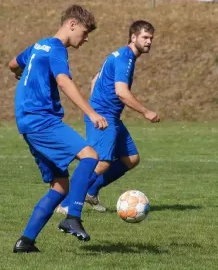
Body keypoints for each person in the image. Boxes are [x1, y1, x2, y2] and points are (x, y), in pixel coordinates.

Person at [9, 5, 108, 254]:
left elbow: (12, 64)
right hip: (42, 120)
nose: (85, 39)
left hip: (27, 123)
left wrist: (23, 74)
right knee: (90, 156)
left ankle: (26, 242)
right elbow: (64, 81)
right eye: (84, 33)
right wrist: (92, 113)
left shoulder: (39, 46)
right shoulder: (56, 49)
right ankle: (73, 216)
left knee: (60, 185)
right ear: (72, 24)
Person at [57, 20, 160, 215]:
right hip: (103, 117)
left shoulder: (120, 54)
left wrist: (97, 99)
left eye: (151, 38)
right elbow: (121, 92)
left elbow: (95, 78)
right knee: (101, 161)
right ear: (133, 37)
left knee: (131, 158)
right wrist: (146, 112)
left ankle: (91, 192)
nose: (149, 42)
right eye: (145, 37)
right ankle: (67, 204)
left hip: (110, 115)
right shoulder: (125, 58)